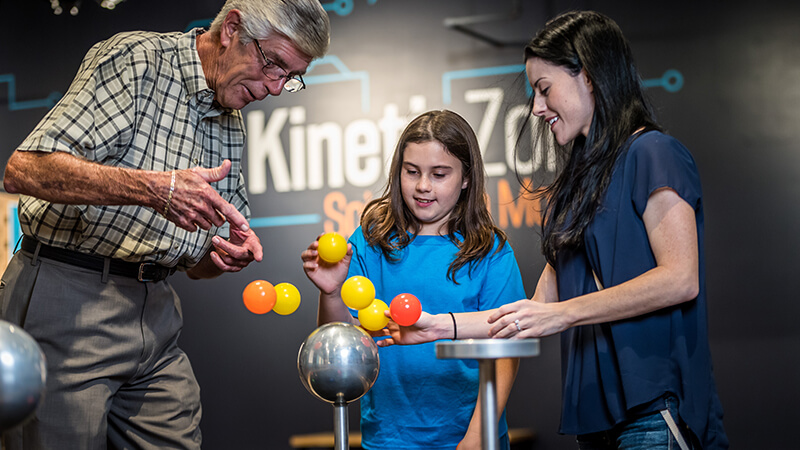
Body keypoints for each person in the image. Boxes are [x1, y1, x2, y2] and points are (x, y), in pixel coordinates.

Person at [377, 11, 728, 450]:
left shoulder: (653, 153)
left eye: (545, 89)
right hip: (597, 419)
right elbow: (531, 310)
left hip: (654, 411)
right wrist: (438, 326)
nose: (538, 108)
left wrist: (566, 312)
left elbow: (679, 278)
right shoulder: (577, 185)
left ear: (591, 77)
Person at [0, 1, 329, 449]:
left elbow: (197, 267)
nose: (275, 87)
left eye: (290, 78)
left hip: (155, 312)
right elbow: (25, 170)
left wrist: (224, 254)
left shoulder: (230, 123)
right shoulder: (137, 61)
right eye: (273, 64)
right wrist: (154, 189)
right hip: (66, 298)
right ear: (232, 28)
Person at [301, 110, 526, 449]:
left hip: (469, 438)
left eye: (439, 174)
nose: (423, 186)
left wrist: (478, 436)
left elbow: (506, 348)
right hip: (388, 439)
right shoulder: (369, 240)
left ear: (466, 178)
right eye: (412, 172)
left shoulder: (491, 251)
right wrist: (331, 293)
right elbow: (343, 345)